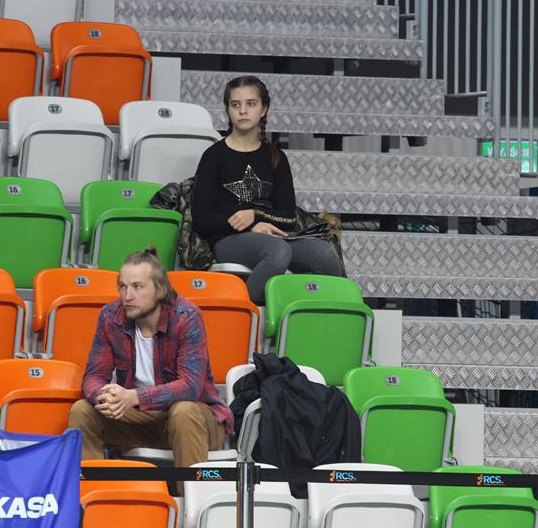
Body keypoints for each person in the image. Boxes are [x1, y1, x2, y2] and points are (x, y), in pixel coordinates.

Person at [67, 247, 233, 469]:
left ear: (161, 290)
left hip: (197, 420)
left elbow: (189, 387)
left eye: (137, 287)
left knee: (183, 411)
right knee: (82, 411)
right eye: (123, 286)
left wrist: (134, 396)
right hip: (142, 419)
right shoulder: (110, 316)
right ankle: (95, 489)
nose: (127, 296)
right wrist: (105, 396)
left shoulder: (186, 317)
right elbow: (94, 376)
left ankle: (190, 491)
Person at [191, 75, 343, 304]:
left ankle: (322, 320)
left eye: (251, 104)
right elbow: (201, 219)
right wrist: (249, 225)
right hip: (228, 240)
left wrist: (256, 215)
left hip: (273, 236)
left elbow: (288, 216)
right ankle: (245, 314)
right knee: (278, 251)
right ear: (228, 110)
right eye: (235, 104)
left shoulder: (276, 157)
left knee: (324, 254)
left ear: (263, 109)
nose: (243, 111)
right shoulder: (214, 156)